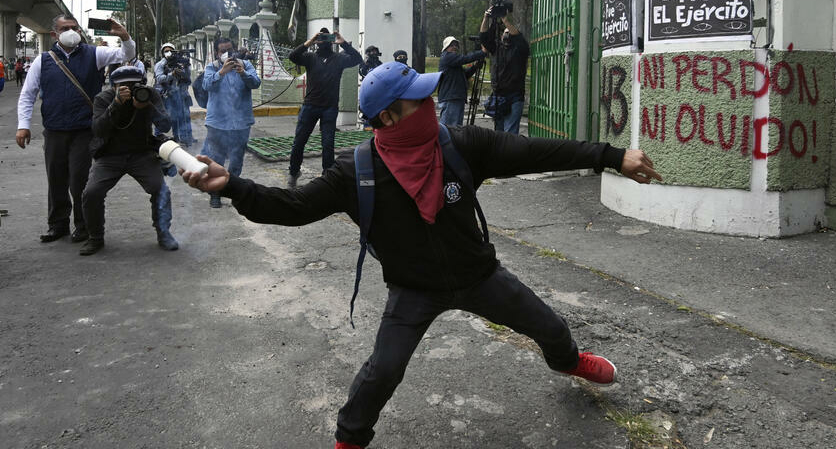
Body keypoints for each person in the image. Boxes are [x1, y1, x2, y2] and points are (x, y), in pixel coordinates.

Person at [179, 61, 662, 449]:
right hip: (413, 289)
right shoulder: (356, 171)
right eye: (420, 100)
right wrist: (234, 185)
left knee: (551, 327)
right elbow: (293, 207)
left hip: (479, 276)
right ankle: (348, 441)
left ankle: (569, 362)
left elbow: (536, 152)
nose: (432, 105)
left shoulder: (461, 144)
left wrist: (610, 156)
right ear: (389, 117)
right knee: (382, 372)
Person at [16, 16, 136, 243]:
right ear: (54, 34)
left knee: (80, 180)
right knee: (56, 180)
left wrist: (125, 37)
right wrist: (23, 126)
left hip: (84, 130)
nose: (71, 32)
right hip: (54, 131)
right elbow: (28, 95)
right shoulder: (43, 60)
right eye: (65, 28)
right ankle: (57, 225)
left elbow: (125, 55)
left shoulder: (94, 54)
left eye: (74, 28)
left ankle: (83, 226)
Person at [78, 66, 176, 255]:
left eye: (134, 85)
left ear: (143, 84)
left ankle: (164, 233)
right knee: (91, 192)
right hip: (109, 154)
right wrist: (116, 104)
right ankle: (95, 237)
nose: (130, 89)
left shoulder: (149, 95)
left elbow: (165, 125)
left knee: (160, 189)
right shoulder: (104, 98)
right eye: (124, 86)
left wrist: (148, 106)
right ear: (114, 86)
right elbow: (98, 130)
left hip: (141, 153)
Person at [286, 28, 362, 187]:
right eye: (320, 37)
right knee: (299, 142)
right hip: (310, 106)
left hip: (329, 108)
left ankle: (327, 179)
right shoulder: (310, 58)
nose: (323, 40)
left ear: (331, 41)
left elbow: (357, 59)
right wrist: (310, 42)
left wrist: (343, 43)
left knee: (328, 145)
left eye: (326, 37)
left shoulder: (339, 58)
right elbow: (293, 56)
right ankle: (293, 172)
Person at [202, 36, 261, 208]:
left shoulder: (246, 65)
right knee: (216, 159)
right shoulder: (212, 67)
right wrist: (222, 72)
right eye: (223, 51)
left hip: (241, 123)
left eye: (230, 50)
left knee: (236, 160)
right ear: (216, 53)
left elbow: (256, 83)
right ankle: (215, 193)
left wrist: (243, 73)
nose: (227, 54)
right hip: (217, 123)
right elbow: (206, 85)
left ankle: (233, 191)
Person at [479, 6, 530, 134]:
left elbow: (519, 38)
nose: (507, 35)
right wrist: (486, 18)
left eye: (509, 32)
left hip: (515, 95)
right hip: (499, 96)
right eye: (505, 33)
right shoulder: (497, 48)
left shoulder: (520, 49)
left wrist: (505, 20)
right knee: (499, 133)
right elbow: (484, 37)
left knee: (510, 133)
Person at [436, 36, 484, 126]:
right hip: (451, 98)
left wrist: (475, 66)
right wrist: (482, 52)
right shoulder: (447, 56)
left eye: (456, 45)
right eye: (452, 45)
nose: (455, 47)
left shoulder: (454, 62)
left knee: (456, 129)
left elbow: (465, 75)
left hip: (456, 97)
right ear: (446, 47)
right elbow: (465, 58)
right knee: (450, 128)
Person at [154, 43, 195, 146]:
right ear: (162, 53)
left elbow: (187, 78)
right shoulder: (160, 64)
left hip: (179, 94)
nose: (169, 53)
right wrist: (171, 74)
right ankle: (158, 137)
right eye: (166, 51)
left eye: (171, 51)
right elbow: (159, 78)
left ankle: (179, 137)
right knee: (163, 117)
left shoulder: (179, 63)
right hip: (165, 94)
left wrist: (186, 67)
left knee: (179, 116)